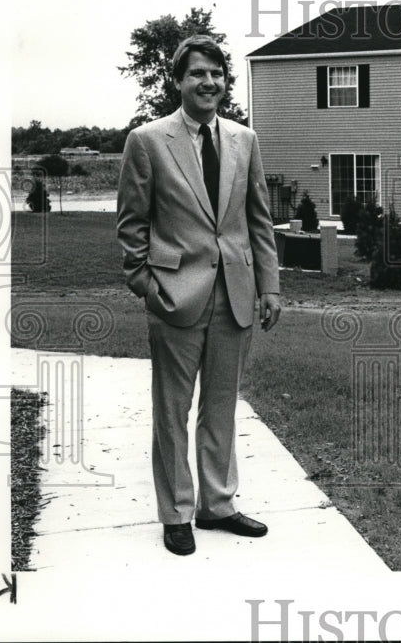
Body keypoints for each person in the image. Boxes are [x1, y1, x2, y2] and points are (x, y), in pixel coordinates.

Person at [117, 35, 282, 556]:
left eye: (216, 73)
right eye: (197, 74)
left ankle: (218, 504)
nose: (209, 82)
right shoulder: (147, 141)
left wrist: (269, 286)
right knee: (172, 410)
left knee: (221, 407)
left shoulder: (244, 139)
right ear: (178, 81)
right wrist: (147, 284)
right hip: (175, 295)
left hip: (234, 295)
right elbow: (131, 225)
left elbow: (259, 221)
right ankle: (176, 513)